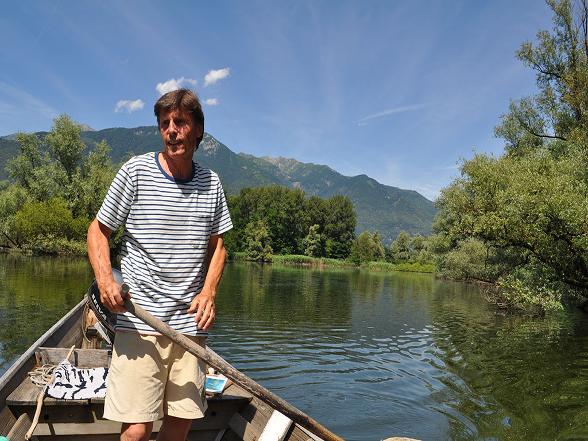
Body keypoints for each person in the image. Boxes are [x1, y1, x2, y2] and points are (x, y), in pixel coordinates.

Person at [87, 88, 233, 441]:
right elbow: (98, 230)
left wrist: (209, 291)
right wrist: (106, 280)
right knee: (136, 430)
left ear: (198, 130)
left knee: (179, 425)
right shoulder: (136, 172)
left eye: (180, 122)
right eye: (165, 123)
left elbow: (219, 246)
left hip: (189, 326)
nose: (171, 130)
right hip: (140, 319)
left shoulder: (211, 183)